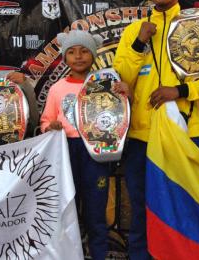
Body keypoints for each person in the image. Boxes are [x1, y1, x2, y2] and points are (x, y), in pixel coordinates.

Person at [113, 0, 199, 259]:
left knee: (186, 209)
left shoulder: (198, 26)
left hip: (185, 135)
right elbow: (122, 78)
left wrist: (180, 92)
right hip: (142, 137)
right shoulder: (133, 31)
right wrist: (141, 42)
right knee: (141, 211)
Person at [40, 30, 127, 260]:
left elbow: (118, 118)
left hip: (95, 154)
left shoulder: (106, 85)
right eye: (71, 52)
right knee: (66, 211)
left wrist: (123, 94)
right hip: (65, 152)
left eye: (84, 51)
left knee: (95, 212)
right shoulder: (57, 88)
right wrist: (51, 126)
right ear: (64, 57)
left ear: (94, 54)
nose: (78, 56)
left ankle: (97, 254)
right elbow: (45, 121)